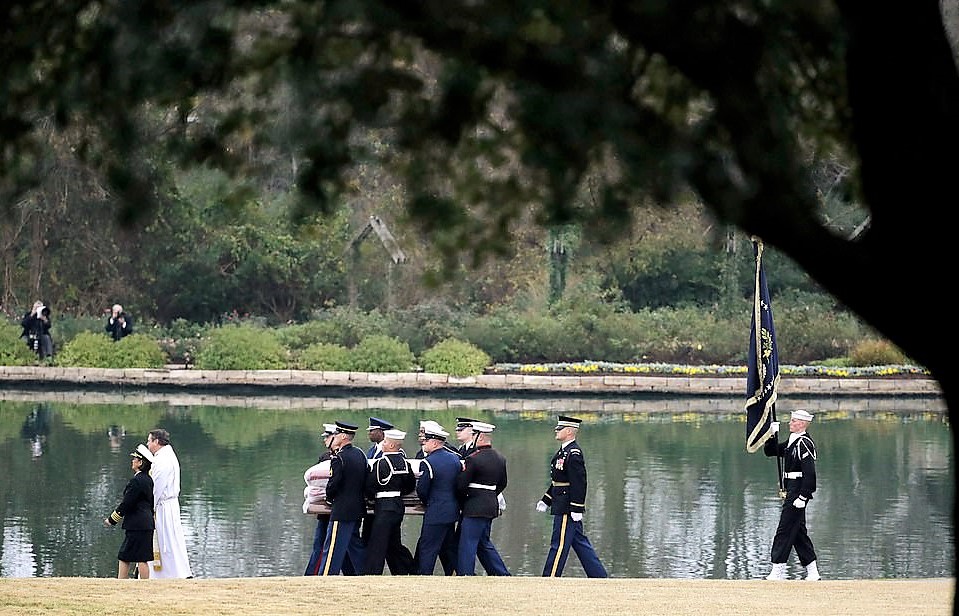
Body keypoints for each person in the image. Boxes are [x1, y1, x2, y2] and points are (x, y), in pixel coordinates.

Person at [536, 415, 608, 578]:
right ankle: (599, 576)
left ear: (569, 431)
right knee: (580, 543)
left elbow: (579, 483)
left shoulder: (573, 453)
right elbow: (558, 481)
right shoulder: (563, 452)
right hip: (561, 502)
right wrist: (546, 500)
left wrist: (577, 508)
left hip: (567, 507)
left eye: (559, 429)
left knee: (559, 543)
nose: (556, 430)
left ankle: (550, 576)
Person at [764, 409, 820, 581]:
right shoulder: (792, 441)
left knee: (785, 529)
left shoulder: (804, 443)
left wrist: (804, 497)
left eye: (794, 421)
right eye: (791, 420)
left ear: (802, 424)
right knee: (798, 533)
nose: (790, 423)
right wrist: (772, 434)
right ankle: (813, 572)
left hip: (798, 490)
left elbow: (809, 473)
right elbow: (771, 452)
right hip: (791, 488)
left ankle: (778, 569)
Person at [455, 421, 510, 576]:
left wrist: (465, 499)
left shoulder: (473, 459)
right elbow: (503, 483)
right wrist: (489, 495)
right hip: (490, 505)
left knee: (468, 542)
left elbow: (461, 485)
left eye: (473, 435)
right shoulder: (500, 458)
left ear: (479, 437)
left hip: (474, 506)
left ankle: (465, 573)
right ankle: (501, 573)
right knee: (483, 542)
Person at [316, 421, 367, 575]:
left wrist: (329, 499)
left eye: (337, 434)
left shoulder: (339, 458)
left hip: (342, 509)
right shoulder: (360, 455)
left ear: (344, 436)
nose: (334, 437)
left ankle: (325, 577)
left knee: (332, 547)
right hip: (358, 508)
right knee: (354, 546)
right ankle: (362, 575)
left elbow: (333, 485)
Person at [363, 429, 416, 575]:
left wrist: (371, 498)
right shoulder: (405, 463)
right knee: (393, 542)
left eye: (385, 441)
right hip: (398, 505)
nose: (382, 444)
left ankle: (372, 573)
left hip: (384, 505)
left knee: (377, 542)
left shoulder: (381, 464)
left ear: (392, 446)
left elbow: (370, 486)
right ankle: (404, 569)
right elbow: (410, 485)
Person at [414, 421, 461, 575]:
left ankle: (424, 575)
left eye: (426, 440)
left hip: (435, 511)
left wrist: (428, 502)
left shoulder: (427, 462)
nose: (424, 443)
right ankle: (455, 573)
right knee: (448, 546)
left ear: (434, 442)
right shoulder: (454, 459)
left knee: (428, 547)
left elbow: (422, 489)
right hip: (451, 510)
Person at [146, 428, 193, 579]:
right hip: (168, 505)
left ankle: (166, 574)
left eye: (149, 441)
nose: (147, 444)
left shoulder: (162, 459)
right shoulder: (167, 455)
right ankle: (173, 572)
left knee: (165, 540)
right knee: (171, 538)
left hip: (163, 505)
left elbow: (156, 486)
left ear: (157, 442)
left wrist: (149, 506)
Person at [104, 444, 155, 579]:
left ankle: (121, 583)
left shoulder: (136, 481)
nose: (132, 461)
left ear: (140, 463)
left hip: (136, 524)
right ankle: (144, 587)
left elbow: (127, 503)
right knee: (142, 558)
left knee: (124, 555)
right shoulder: (148, 480)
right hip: (147, 523)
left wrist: (112, 519)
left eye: (135, 459)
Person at [304, 423, 338, 576]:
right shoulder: (324, 458)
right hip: (324, 510)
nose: (325, 441)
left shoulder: (345, 457)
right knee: (319, 544)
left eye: (327, 437)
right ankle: (312, 574)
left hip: (339, 509)